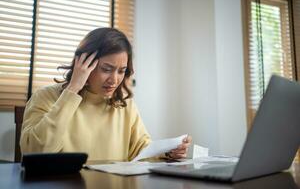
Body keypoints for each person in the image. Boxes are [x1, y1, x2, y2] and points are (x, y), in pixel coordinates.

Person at [20, 27, 192, 161]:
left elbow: (141, 150)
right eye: (106, 69)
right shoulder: (45, 97)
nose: (114, 79)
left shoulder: (125, 105)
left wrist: (168, 152)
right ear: (83, 63)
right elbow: (35, 152)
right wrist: (72, 90)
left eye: (121, 71)